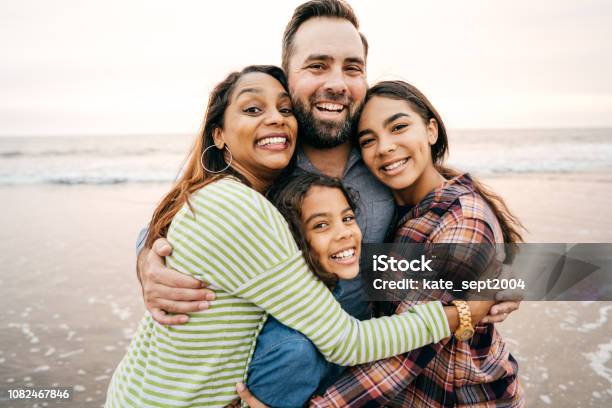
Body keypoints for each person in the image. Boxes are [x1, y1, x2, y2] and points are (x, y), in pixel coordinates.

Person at [134, 0, 522, 404]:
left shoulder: (380, 154)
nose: (337, 82)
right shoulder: (269, 155)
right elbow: (181, 219)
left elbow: (452, 218)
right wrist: (147, 262)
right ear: (287, 76)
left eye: (352, 68)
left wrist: (512, 276)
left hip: (371, 371)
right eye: (317, 65)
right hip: (285, 374)